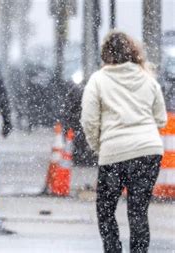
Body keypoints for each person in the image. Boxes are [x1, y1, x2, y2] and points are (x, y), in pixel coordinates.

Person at [80, 31, 167, 253]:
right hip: (148, 152)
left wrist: (99, 146)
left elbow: (89, 120)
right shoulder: (148, 79)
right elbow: (161, 118)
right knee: (138, 211)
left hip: (113, 154)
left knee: (105, 210)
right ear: (133, 52)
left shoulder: (98, 80)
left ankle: (113, 250)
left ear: (105, 55)